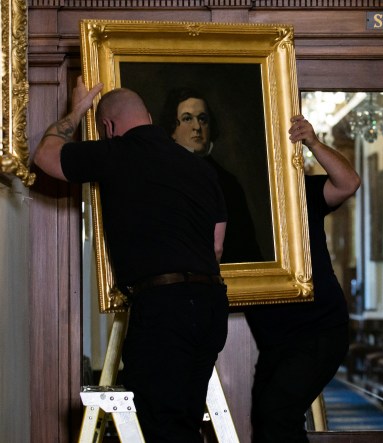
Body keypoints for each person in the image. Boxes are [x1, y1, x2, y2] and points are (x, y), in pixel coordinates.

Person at [32, 76, 229, 443]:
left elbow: (45, 156)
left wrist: (75, 110)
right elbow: (216, 246)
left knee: (160, 427)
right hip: (211, 306)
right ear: (151, 117)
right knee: (185, 422)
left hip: (164, 308)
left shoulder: (116, 152)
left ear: (108, 127)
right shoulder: (201, 168)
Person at [243, 115, 361, 442]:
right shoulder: (234, 201)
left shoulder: (299, 192)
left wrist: (313, 142)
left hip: (319, 329)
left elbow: (348, 182)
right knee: (267, 423)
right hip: (275, 340)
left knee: (277, 415)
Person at [159, 87, 264, 263]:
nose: (197, 127)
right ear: (172, 129)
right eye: (187, 119)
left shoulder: (228, 183)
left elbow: (246, 248)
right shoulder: (161, 177)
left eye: (203, 119)